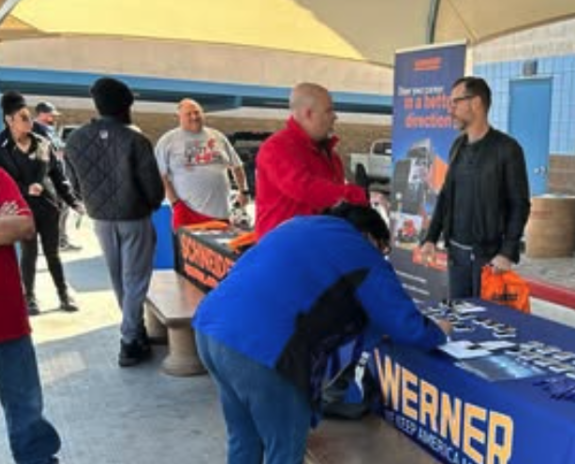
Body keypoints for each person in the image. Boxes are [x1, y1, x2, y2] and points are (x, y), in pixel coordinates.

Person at [193, 202, 451, 464]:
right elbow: (403, 322)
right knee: (285, 446)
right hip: (263, 349)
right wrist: (437, 331)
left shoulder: (300, 225)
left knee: (244, 435)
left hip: (211, 330)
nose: (381, 256)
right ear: (369, 237)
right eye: (382, 248)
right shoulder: (356, 247)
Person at [0, 163, 92, 464]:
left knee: (25, 401)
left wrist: (9, 226)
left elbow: (24, 226)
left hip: (5, 317)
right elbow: (9, 227)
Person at [65, 77, 165, 367]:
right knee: (136, 279)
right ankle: (130, 341)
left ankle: (135, 332)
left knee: (119, 278)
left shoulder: (75, 139)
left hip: (100, 219)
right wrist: (150, 204)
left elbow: (73, 183)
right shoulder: (135, 138)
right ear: (126, 105)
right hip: (134, 217)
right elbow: (153, 187)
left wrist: (93, 203)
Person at [418, 76, 531, 299]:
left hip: (489, 259)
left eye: (455, 102)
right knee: (459, 315)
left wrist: (507, 252)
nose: (450, 110)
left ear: (476, 103)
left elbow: (519, 205)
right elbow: (446, 196)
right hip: (456, 256)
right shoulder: (457, 146)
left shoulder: (507, 149)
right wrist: (430, 238)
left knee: (487, 317)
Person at [0, 92, 85, 315]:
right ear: (9, 120)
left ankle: (64, 294)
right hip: (21, 211)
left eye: (29, 116)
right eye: (23, 117)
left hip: (48, 207)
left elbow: (58, 176)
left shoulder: (42, 143)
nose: (29, 121)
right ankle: (30, 298)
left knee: (53, 253)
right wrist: (25, 190)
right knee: (29, 253)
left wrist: (73, 201)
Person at [254, 82, 367, 237]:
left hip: (318, 242)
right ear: (309, 114)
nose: (335, 117)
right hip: (285, 246)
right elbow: (304, 188)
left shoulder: (330, 155)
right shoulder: (277, 147)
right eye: (328, 111)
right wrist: (357, 195)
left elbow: (335, 203)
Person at [155, 98, 250, 230]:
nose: (194, 117)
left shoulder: (218, 137)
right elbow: (160, 174)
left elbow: (237, 166)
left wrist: (243, 191)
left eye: (197, 112)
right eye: (189, 114)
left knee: (220, 243)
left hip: (221, 212)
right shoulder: (167, 141)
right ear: (179, 117)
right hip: (188, 212)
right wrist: (175, 202)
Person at [32, 101, 80, 252]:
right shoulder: (34, 129)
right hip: (47, 176)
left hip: (57, 174)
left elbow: (58, 148)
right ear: (41, 114)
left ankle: (59, 240)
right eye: (50, 115)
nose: (53, 117)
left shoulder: (49, 130)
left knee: (62, 208)